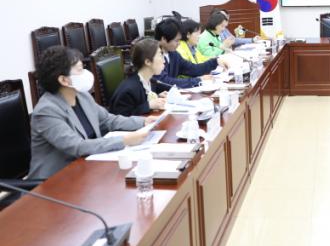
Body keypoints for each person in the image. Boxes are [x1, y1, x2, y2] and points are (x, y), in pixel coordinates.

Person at [28, 46, 153, 179]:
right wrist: (124, 140)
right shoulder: (46, 111)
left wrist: (143, 122)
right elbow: (77, 146)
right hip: (55, 180)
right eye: (80, 70)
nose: (86, 74)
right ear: (64, 80)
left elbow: (108, 120)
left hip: (87, 167)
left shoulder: (82, 96)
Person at [153, 18, 224, 91]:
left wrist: (215, 62)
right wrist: (198, 80)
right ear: (164, 39)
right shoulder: (154, 56)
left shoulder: (173, 54)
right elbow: (165, 82)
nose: (179, 43)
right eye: (176, 40)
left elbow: (193, 69)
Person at [110, 38, 167, 116]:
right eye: (160, 55)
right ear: (148, 62)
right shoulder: (128, 91)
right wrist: (148, 105)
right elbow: (120, 118)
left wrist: (157, 97)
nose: (164, 61)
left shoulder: (149, 81)